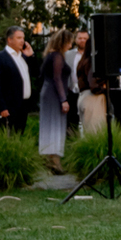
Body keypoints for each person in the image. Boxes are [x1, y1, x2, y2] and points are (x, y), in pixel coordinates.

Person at [0, 27, 35, 138]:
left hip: (23, 104)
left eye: (23, 38)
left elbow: (35, 73)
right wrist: (2, 107)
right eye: (19, 38)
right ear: (9, 40)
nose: (22, 41)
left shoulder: (23, 57)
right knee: (7, 136)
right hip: (9, 106)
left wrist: (31, 56)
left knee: (19, 136)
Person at [37, 30, 72, 170]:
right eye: (69, 42)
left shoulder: (49, 55)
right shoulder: (57, 56)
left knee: (49, 125)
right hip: (54, 94)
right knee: (55, 125)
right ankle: (54, 160)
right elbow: (57, 78)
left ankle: (49, 158)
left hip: (48, 92)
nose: (70, 45)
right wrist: (63, 99)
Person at [76, 41, 108, 136]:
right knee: (96, 135)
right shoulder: (92, 63)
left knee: (88, 135)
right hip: (93, 99)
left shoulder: (83, 61)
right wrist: (106, 89)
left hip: (84, 97)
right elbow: (94, 86)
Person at [66, 30, 88, 135]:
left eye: (85, 38)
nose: (82, 40)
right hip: (72, 92)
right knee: (72, 119)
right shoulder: (68, 55)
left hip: (88, 92)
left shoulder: (92, 55)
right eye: (80, 38)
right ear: (76, 40)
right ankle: (72, 139)